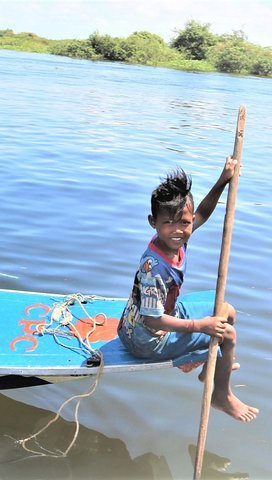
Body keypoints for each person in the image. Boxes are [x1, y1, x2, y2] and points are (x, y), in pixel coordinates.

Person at [117, 157, 258, 422]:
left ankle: (209, 368)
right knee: (227, 335)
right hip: (145, 339)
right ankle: (221, 396)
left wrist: (223, 179)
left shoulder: (177, 239)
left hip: (161, 316)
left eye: (184, 222)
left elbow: (202, 212)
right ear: (153, 222)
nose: (178, 230)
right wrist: (200, 325)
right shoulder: (155, 268)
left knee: (227, 310)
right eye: (169, 223)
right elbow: (152, 319)